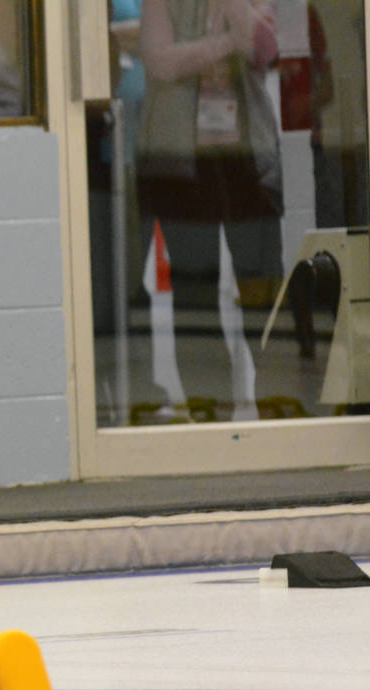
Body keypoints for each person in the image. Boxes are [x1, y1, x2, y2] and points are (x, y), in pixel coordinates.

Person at [135, 0, 282, 420]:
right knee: (194, 291)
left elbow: (264, 49)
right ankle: (208, 405)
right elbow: (161, 62)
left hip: (247, 158)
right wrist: (224, 45)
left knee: (260, 285)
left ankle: (274, 401)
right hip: (180, 163)